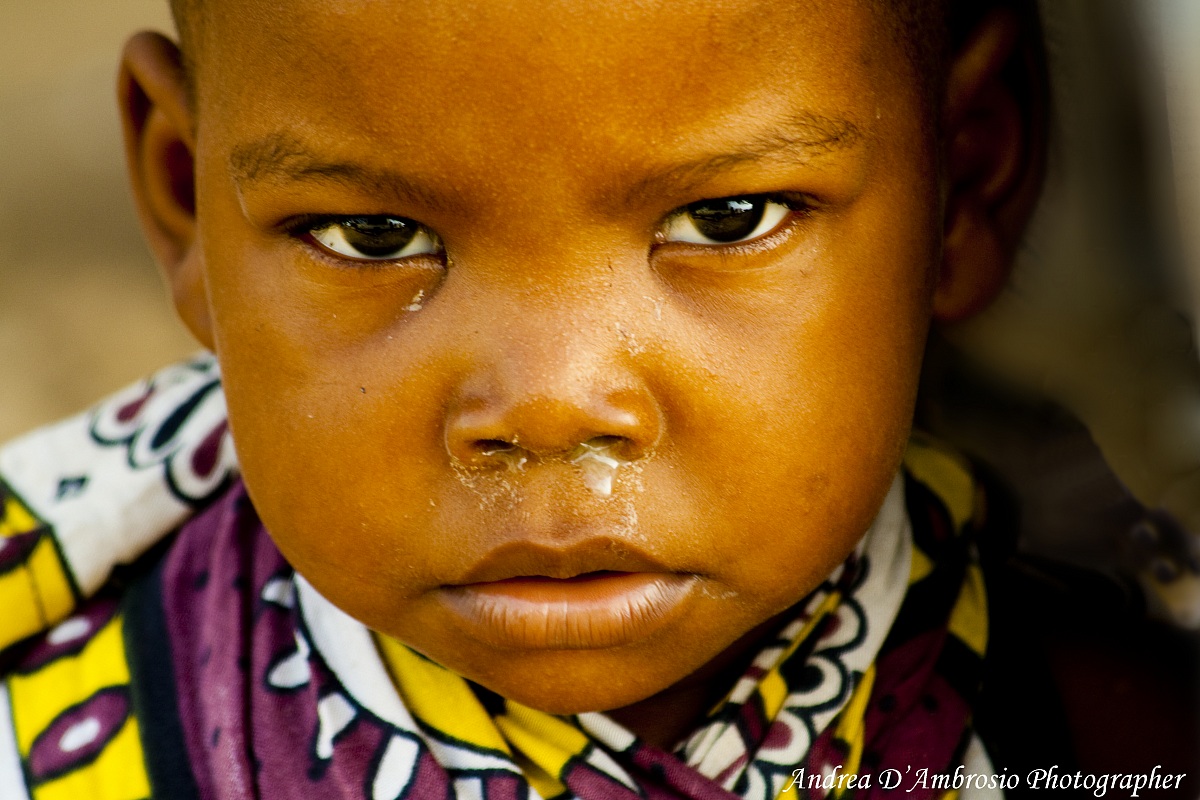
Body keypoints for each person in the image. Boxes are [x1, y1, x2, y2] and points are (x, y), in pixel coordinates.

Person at [0, 0, 1193, 798]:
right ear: (183, 197)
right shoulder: (50, 737)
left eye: (727, 219)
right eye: (374, 233)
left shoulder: (1113, 746)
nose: (552, 404)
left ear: (965, 176)